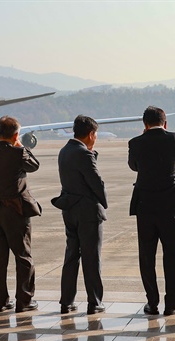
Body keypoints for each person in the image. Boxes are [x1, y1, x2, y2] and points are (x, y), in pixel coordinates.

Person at [0, 116, 41, 313]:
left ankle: (0, 301)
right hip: (16, 211)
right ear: (16, 135)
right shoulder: (19, 153)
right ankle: (24, 301)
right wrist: (21, 146)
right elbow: (35, 165)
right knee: (23, 256)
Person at [128, 106, 175, 316]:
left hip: (145, 207)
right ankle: (173, 304)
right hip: (170, 206)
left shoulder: (135, 143)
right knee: (173, 255)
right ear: (165, 123)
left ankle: (152, 303)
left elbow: (134, 166)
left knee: (147, 256)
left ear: (144, 125)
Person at [51, 115, 107, 315]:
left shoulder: (64, 150)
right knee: (91, 258)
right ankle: (94, 301)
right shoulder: (84, 154)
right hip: (87, 212)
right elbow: (96, 183)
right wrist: (104, 202)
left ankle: (67, 301)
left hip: (69, 209)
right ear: (91, 134)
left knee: (71, 256)